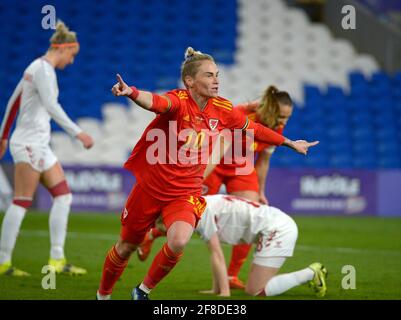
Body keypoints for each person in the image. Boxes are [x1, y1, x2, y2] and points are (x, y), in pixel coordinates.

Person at [96, 47, 318, 300]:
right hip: (151, 188)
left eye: (217, 75)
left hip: (184, 192)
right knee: (126, 247)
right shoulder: (178, 101)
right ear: (190, 81)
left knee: (179, 240)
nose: (216, 80)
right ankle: (103, 295)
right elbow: (156, 101)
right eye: (210, 75)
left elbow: (254, 128)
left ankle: (142, 291)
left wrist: (289, 142)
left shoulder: (223, 108)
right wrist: (131, 93)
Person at [136, 86, 294, 290]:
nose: (284, 122)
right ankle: (152, 234)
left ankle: (230, 276)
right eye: (281, 116)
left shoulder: (275, 127)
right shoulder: (242, 113)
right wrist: (197, 178)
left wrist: (260, 190)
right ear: (269, 108)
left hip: (241, 167)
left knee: (250, 215)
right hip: (213, 161)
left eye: (287, 118)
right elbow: (216, 147)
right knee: (192, 213)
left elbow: (262, 161)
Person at [0, 21, 94, 276]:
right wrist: (78, 133)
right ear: (63, 49)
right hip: (29, 144)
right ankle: (3, 262)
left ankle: (56, 259)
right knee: (21, 201)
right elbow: (51, 106)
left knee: (64, 197)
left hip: (40, 145)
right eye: (72, 55)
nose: (72, 61)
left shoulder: (37, 68)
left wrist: (3, 136)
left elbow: (14, 100)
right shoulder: (43, 70)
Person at [196, 194, 328, 298]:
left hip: (277, 228)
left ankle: (310, 273)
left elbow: (216, 253)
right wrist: (216, 289)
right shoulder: (204, 202)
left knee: (255, 291)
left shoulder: (199, 211)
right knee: (253, 286)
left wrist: (224, 292)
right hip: (272, 223)